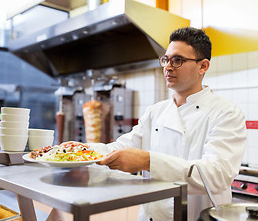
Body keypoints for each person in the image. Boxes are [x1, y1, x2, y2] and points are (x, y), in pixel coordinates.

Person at [87, 27, 247, 221]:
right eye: (166, 59)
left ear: (203, 66)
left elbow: (216, 176)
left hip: (197, 217)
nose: (168, 67)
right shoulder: (156, 111)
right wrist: (80, 151)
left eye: (177, 60)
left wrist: (148, 161)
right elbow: (121, 147)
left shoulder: (225, 112)